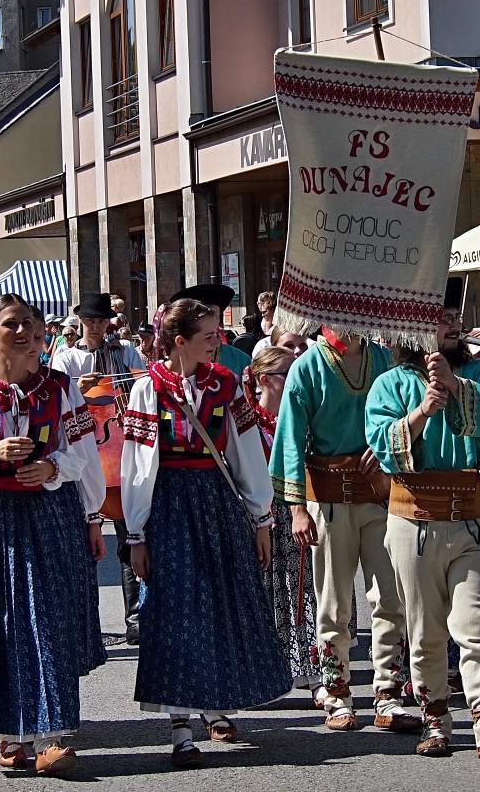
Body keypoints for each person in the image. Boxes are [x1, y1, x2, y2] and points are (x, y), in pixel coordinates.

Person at [0, 294, 107, 775]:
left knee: (47, 619)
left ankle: (52, 735)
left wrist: (53, 468)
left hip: (49, 514)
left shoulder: (60, 387)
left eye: (30, 322)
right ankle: (9, 733)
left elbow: (83, 453)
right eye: (11, 323)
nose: (24, 331)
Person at [365, 279, 480, 760]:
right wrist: (421, 411)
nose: (452, 323)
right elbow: (382, 446)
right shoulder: (390, 384)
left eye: (454, 315)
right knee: (424, 629)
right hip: (413, 517)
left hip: (474, 515)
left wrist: (455, 387)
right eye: (439, 317)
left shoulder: (479, 373)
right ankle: (435, 717)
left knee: (476, 624)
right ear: (415, 327)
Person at [121, 298, 291, 767]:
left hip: (216, 503)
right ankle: (179, 724)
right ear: (180, 342)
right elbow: (137, 464)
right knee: (172, 610)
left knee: (218, 603)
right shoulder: (148, 390)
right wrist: (136, 534)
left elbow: (245, 452)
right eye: (209, 336)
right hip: (168, 506)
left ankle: (214, 704)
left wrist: (260, 518)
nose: (218, 342)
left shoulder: (226, 384)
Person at [269, 322, 417, 734]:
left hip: (380, 495)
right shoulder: (308, 366)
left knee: (390, 598)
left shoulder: (384, 358)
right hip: (329, 497)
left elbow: (406, 415)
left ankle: (389, 693)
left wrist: (386, 444)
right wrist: (297, 509)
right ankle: (336, 695)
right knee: (333, 604)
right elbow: (289, 439)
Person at [53, 292, 146, 644]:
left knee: (130, 535)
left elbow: (141, 390)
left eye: (102, 320)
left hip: (120, 447)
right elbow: (57, 402)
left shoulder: (126, 351)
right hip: (84, 448)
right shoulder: (67, 358)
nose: (96, 326)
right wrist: (77, 388)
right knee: (82, 543)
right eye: (90, 320)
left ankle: (135, 617)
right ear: (80, 321)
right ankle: (86, 623)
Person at [248, 345, 319, 698]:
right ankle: (265, 675)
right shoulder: (247, 421)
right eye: (288, 374)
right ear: (265, 380)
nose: (297, 380)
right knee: (262, 594)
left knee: (304, 591)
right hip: (258, 516)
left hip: (296, 510)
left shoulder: (304, 416)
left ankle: (313, 672)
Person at [170, 284, 251, 377]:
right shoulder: (170, 364)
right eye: (201, 315)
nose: (207, 320)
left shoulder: (240, 360)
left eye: (213, 314)